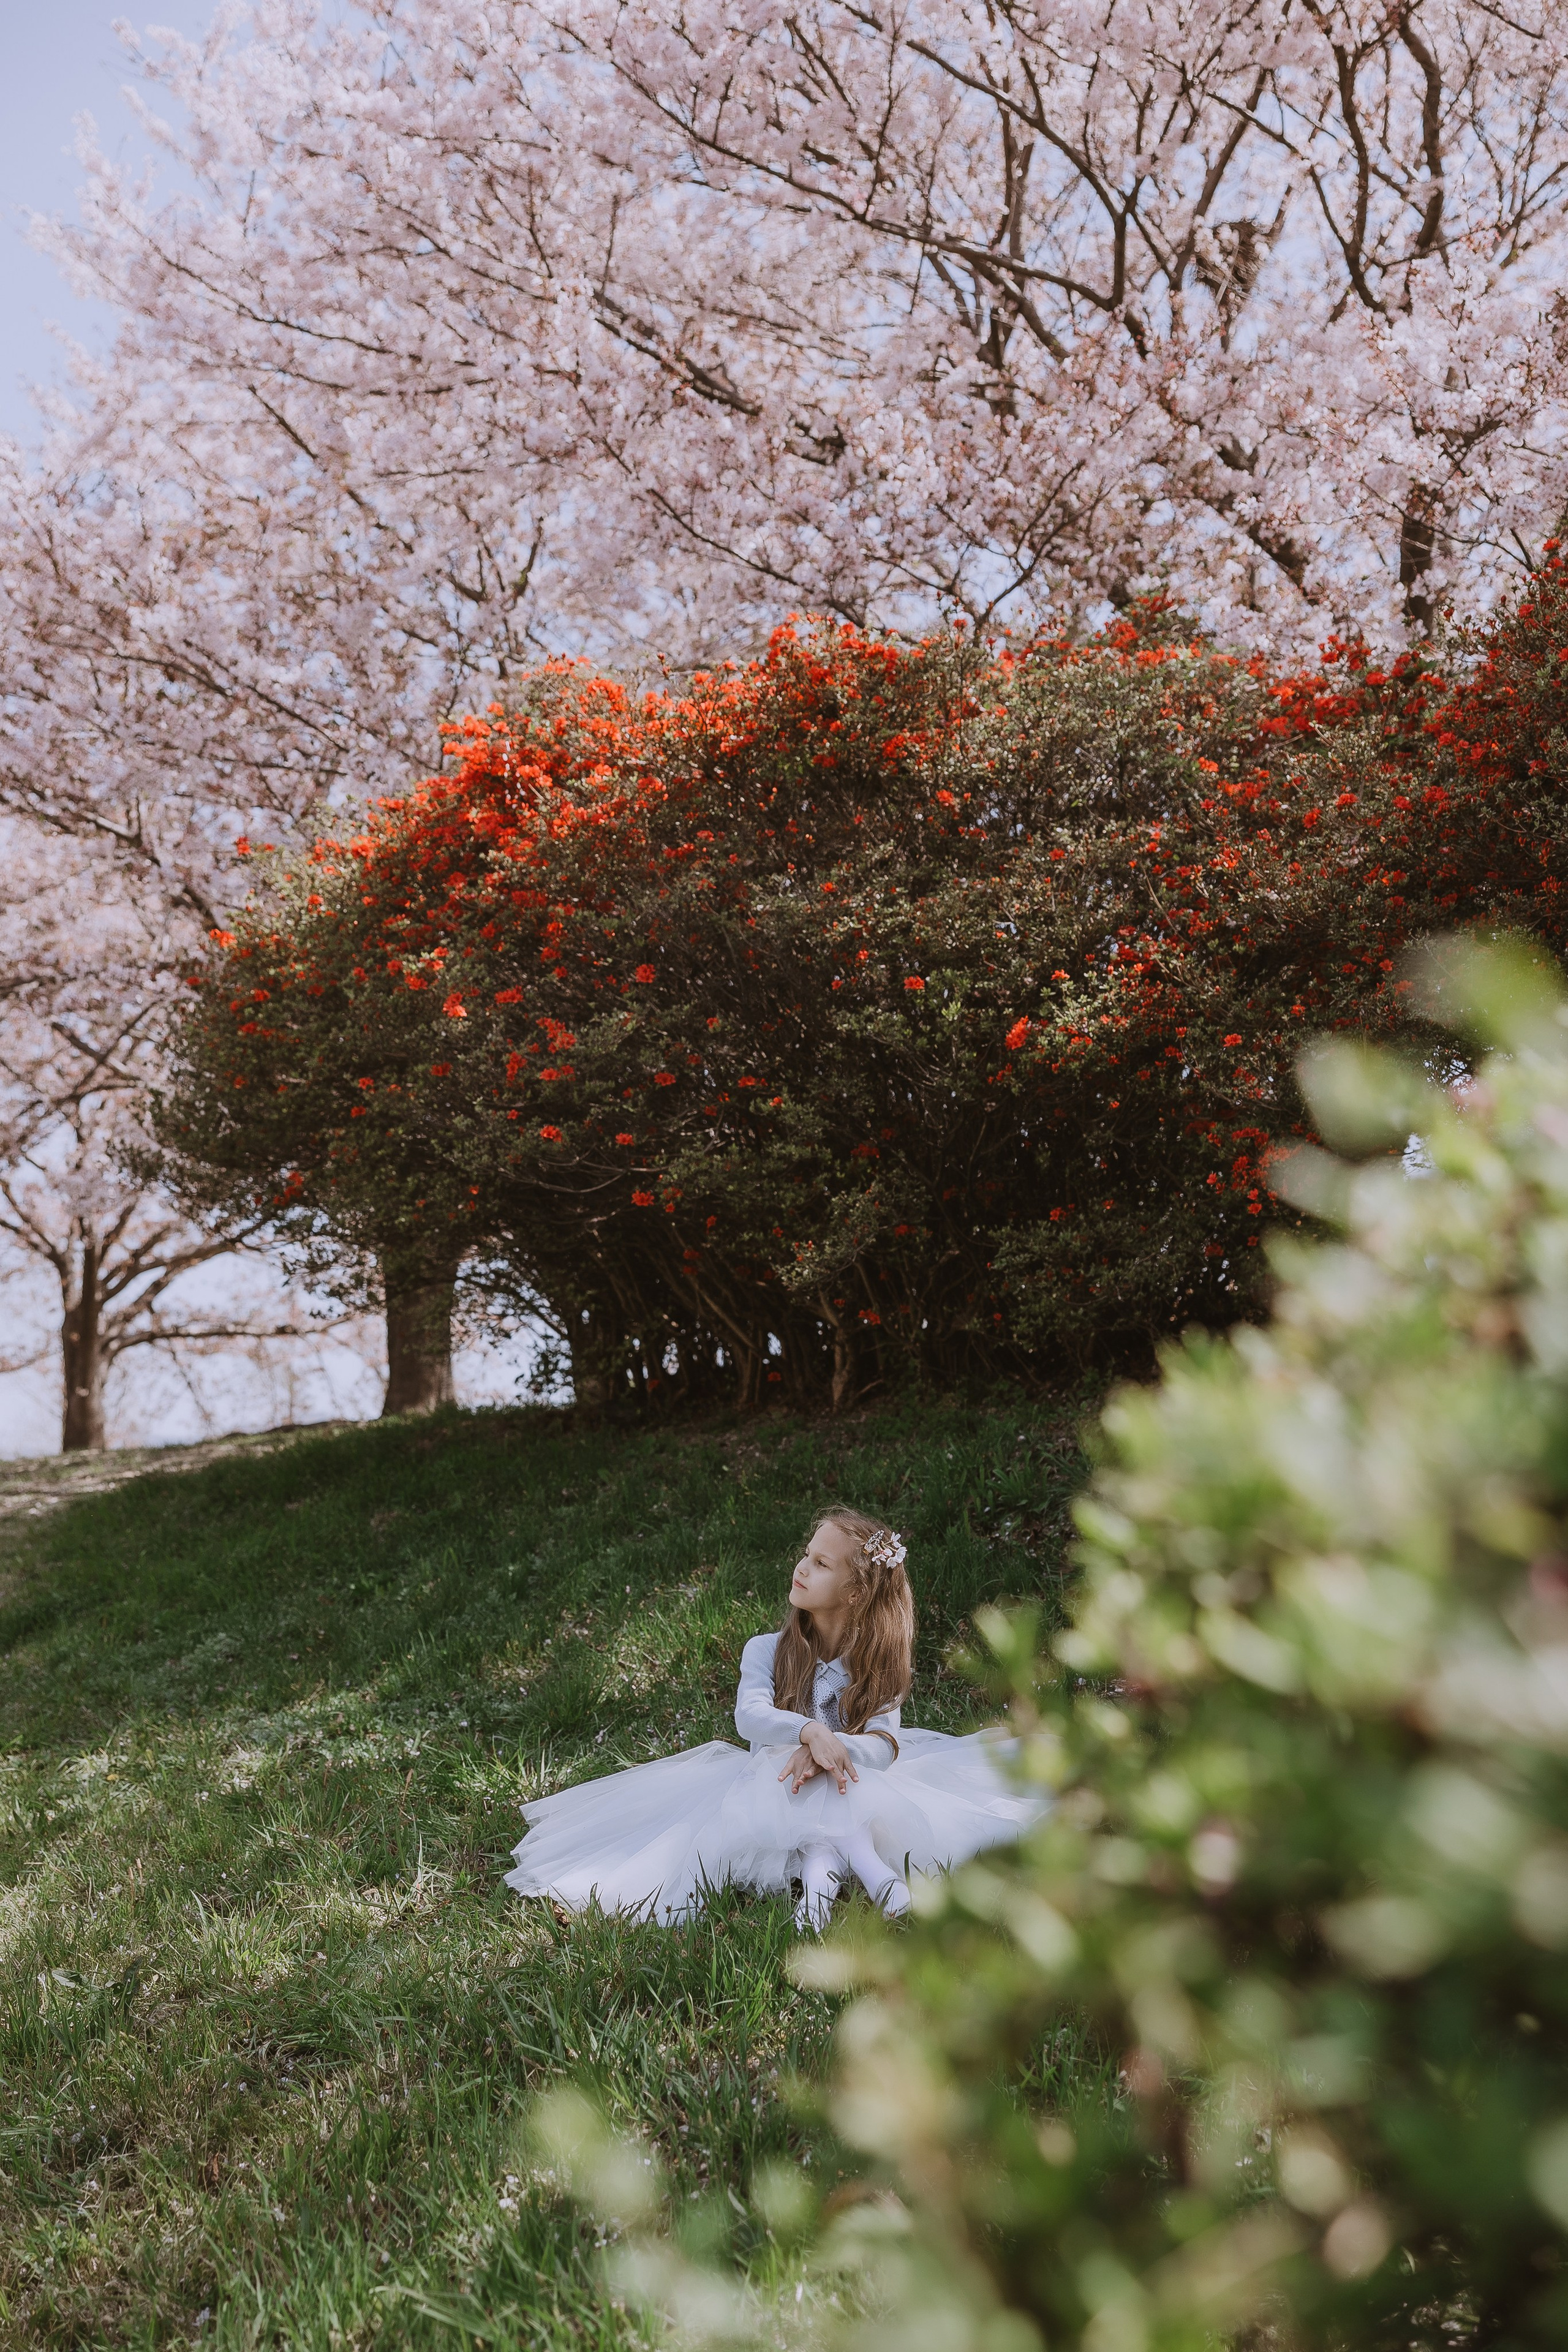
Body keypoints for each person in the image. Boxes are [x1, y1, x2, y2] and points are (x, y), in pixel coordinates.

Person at [504, 1507, 1047, 1931]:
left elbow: (884, 1745)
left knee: (846, 1783)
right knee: (801, 1779)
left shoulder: (881, 1663)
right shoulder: (766, 1648)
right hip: (771, 1779)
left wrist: (830, 1749)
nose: (801, 1567)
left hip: (855, 1777)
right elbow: (751, 1718)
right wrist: (808, 1732)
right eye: (806, 1554)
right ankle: (866, 1880)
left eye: (820, 1563)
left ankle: (819, 1896)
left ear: (856, 1592)